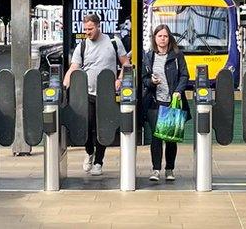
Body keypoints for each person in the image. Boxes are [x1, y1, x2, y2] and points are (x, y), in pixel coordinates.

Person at [63, 13, 130, 176]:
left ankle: (99, 162)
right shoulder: (82, 46)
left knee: (103, 128)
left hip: (106, 94)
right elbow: (74, 68)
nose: (87, 32)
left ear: (98, 26)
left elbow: (126, 63)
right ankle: (89, 152)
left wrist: (120, 79)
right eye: (85, 29)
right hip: (87, 93)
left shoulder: (114, 43)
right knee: (87, 126)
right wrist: (63, 86)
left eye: (90, 29)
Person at [141, 24, 190, 182]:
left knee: (170, 139)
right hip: (155, 102)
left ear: (169, 38)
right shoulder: (149, 56)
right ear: (154, 38)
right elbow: (144, 78)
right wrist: (151, 81)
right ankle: (156, 170)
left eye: (165, 36)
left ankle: (169, 169)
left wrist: (178, 91)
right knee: (156, 138)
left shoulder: (177, 55)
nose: (162, 39)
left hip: (172, 101)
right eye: (159, 36)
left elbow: (184, 75)